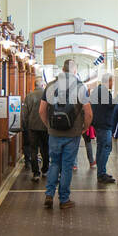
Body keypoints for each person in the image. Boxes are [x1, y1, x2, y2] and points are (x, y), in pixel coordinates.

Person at [39, 60, 92, 210]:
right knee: (67, 166)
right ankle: (64, 199)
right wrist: (84, 128)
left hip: (54, 132)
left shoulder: (50, 86)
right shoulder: (80, 87)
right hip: (72, 133)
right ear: (75, 71)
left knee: (54, 163)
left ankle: (49, 194)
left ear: (62, 70)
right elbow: (88, 113)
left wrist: (48, 126)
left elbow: (41, 111)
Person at [89, 73, 116, 183]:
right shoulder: (103, 91)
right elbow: (110, 105)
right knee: (106, 148)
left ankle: (101, 172)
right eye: (112, 81)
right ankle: (101, 173)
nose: (113, 84)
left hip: (98, 123)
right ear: (108, 81)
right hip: (104, 124)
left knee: (101, 148)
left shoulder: (97, 90)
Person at [21, 81, 49, 181]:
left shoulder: (29, 96)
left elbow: (24, 113)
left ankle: (36, 173)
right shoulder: (47, 94)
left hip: (32, 127)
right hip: (45, 127)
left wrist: (26, 125)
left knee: (33, 150)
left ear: (34, 86)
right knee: (45, 149)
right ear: (42, 85)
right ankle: (45, 170)